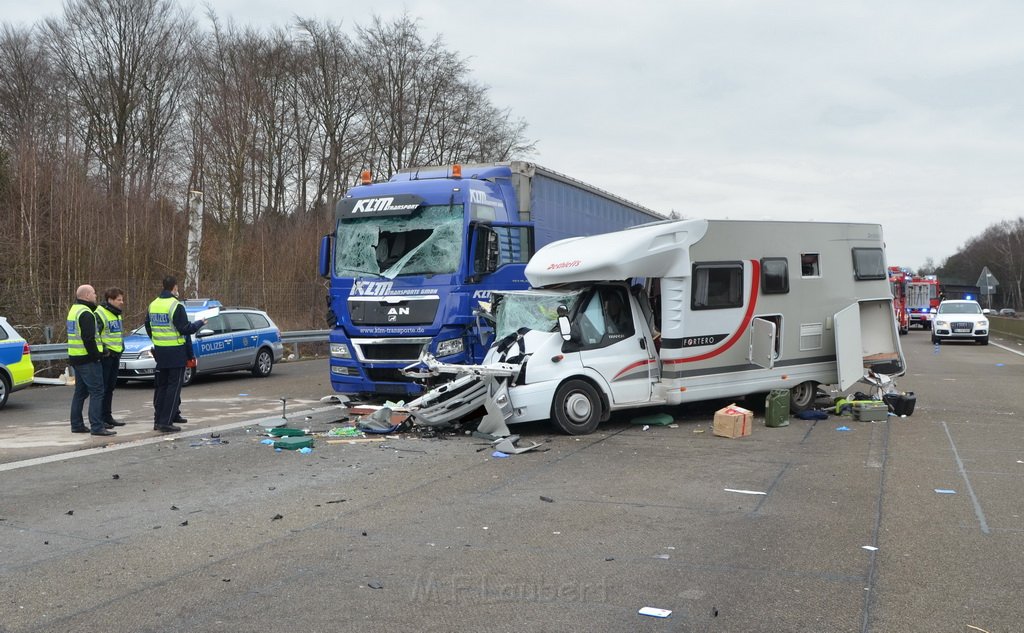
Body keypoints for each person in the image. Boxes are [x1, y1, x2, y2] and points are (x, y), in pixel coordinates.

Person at [146, 276, 205, 433]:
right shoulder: (175, 305)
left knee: (162, 387)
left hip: (160, 351)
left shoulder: (153, 304)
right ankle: (166, 422)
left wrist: (157, 339)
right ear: (174, 288)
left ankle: (158, 420)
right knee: (173, 388)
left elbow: (147, 325)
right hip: (175, 352)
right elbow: (185, 329)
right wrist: (200, 323)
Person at [67, 285, 114, 436]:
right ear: (87, 295)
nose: (95, 296)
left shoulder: (74, 310)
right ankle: (97, 426)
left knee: (80, 392)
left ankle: (77, 424)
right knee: (97, 391)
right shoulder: (86, 313)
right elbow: (89, 338)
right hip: (87, 359)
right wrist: (97, 356)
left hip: (76, 357)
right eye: (94, 293)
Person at [96, 287, 126, 428]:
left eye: (122, 299)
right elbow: (96, 335)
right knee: (103, 388)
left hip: (116, 354)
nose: (122, 302)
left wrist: (122, 347)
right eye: (119, 299)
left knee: (110, 388)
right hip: (106, 356)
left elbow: (117, 334)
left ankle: (108, 416)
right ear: (110, 300)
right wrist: (104, 351)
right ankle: (100, 418)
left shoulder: (117, 314)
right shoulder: (100, 313)